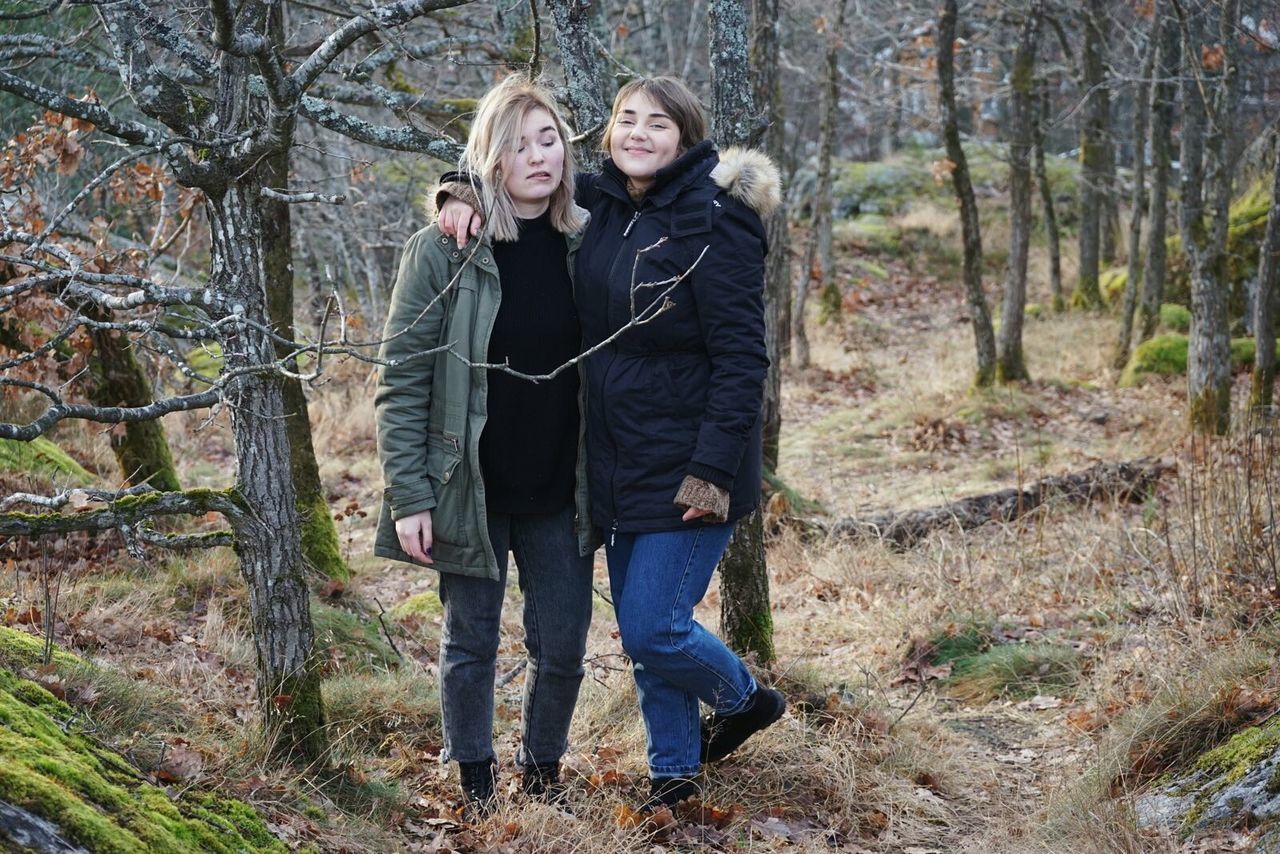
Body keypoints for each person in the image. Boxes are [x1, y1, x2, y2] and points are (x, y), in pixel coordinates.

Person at [438, 76, 785, 812]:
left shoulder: (715, 220)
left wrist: (711, 471)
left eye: (657, 124)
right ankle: (674, 777)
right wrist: (455, 191)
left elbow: (743, 361)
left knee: (654, 628)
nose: (637, 133)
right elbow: (518, 176)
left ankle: (745, 699)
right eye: (625, 120)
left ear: (687, 140)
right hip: (617, 466)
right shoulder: (605, 206)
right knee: (645, 629)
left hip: (693, 466)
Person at [373, 74, 596, 815]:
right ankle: (476, 785)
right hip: (466, 485)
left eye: (548, 138)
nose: (538, 156)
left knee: (562, 642)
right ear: (489, 159)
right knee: (470, 640)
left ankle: (542, 775)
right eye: (517, 144)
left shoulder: (587, 242)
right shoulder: (443, 251)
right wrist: (410, 495)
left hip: (561, 487)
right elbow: (401, 379)